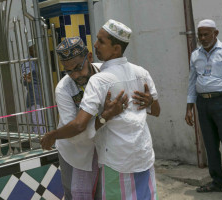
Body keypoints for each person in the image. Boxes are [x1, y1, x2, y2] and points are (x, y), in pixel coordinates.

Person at [42, 19, 160, 199]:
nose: (75, 75)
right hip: (77, 150)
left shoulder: (102, 76)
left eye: (78, 68)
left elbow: (152, 109)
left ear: (89, 58)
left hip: (107, 149)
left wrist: (149, 102)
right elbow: (76, 131)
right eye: (68, 71)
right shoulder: (64, 89)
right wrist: (104, 117)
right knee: (76, 193)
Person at [185, 19, 222, 200]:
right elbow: (191, 82)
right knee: (210, 146)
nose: (203, 38)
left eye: (206, 34)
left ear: (216, 33)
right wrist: (189, 107)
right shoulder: (196, 54)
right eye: (200, 35)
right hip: (203, 104)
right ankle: (217, 183)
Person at [21, 40, 45, 134]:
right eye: (33, 48)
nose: (35, 50)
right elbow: (24, 76)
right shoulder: (28, 62)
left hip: (45, 97)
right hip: (35, 99)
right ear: (29, 50)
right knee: (39, 127)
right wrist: (26, 78)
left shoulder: (41, 59)